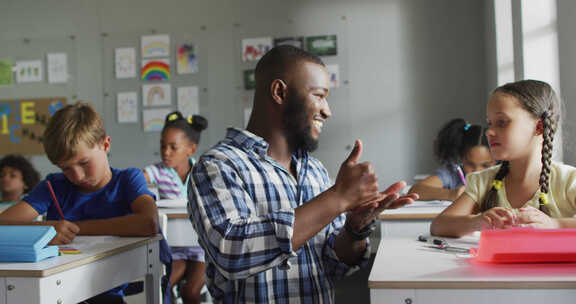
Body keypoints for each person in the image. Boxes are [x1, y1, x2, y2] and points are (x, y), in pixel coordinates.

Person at [187, 45, 418, 303]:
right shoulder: (218, 166)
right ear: (279, 92)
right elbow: (232, 252)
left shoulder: (315, 171)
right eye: (318, 95)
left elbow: (334, 266)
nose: (327, 111)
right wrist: (338, 198)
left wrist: (354, 229)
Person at [0, 102, 170, 304]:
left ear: (105, 145)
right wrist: (47, 229)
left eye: (84, 163)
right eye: (66, 168)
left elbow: (147, 224)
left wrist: (77, 228)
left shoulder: (128, 180)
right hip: (58, 291)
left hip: (107, 291)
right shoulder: (54, 186)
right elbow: (3, 224)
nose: (77, 176)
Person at [431, 80, 576, 238]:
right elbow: (439, 225)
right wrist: (478, 222)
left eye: (502, 122)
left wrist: (556, 225)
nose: (489, 132)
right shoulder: (483, 181)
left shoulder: (568, 180)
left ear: (539, 127)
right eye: (490, 123)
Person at [143, 111, 207, 304]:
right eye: (163, 145)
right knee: (164, 286)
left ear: (191, 149)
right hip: (174, 249)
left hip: (200, 249)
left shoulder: (203, 171)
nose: (166, 152)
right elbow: (137, 179)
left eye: (173, 147)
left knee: (190, 293)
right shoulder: (159, 172)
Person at [408, 119, 495, 201]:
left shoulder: (503, 173)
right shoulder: (452, 174)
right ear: (461, 157)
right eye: (470, 164)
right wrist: (452, 194)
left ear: (497, 160)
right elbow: (415, 191)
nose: (477, 171)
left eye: (485, 165)